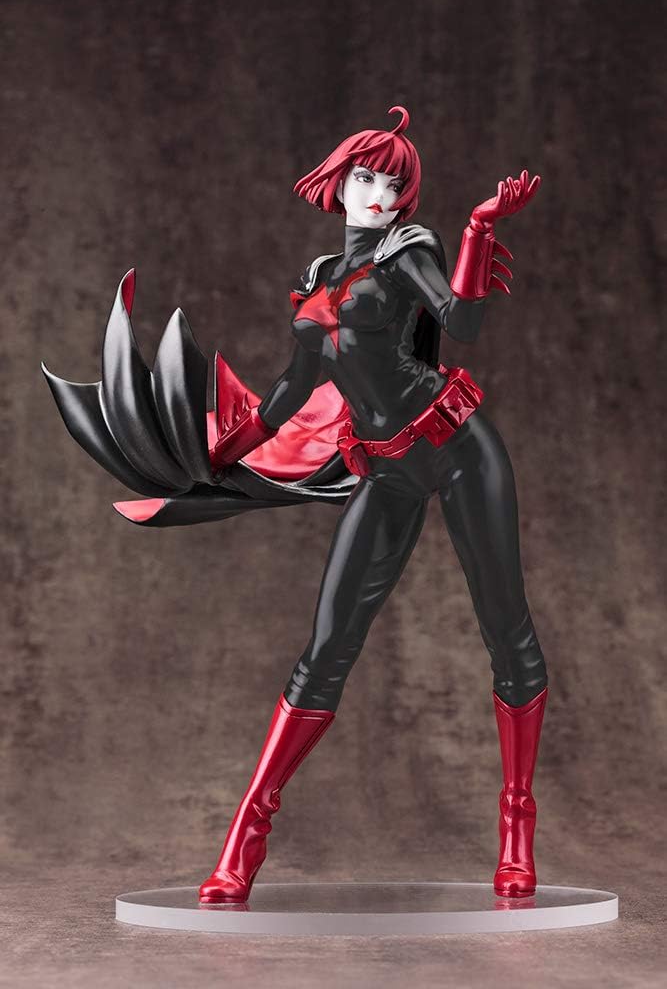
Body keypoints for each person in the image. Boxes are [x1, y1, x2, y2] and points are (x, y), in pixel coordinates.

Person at [42, 106, 548, 904]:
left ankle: (516, 828)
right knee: (326, 647)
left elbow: (463, 322)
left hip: (457, 450)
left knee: (504, 628)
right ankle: (241, 843)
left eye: (393, 184)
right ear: (339, 179)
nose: (377, 194)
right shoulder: (319, 277)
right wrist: (221, 453)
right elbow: (291, 389)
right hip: (385, 469)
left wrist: (480, 230)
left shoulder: (409, 250)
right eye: (365, 176)